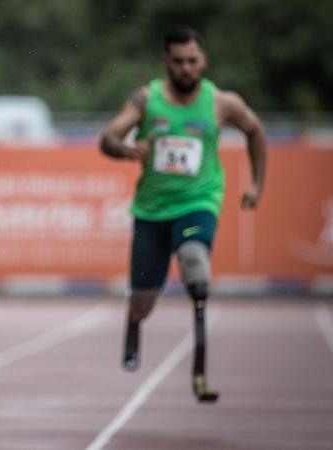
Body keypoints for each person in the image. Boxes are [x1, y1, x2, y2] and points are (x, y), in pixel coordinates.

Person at [99, 26, 266, 403]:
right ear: (166, 63)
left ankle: (200, 372)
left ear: (203, 61)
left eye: (192, 61)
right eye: (178, 62)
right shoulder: (147, 99)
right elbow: (108, 137)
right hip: (152, 210)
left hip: (199, 201)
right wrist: (127, 150)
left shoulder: (223, 103)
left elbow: (255, 131)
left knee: (195, 264)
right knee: (144, 301)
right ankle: (134, 320)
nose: (186, 68)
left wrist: (256, 185)